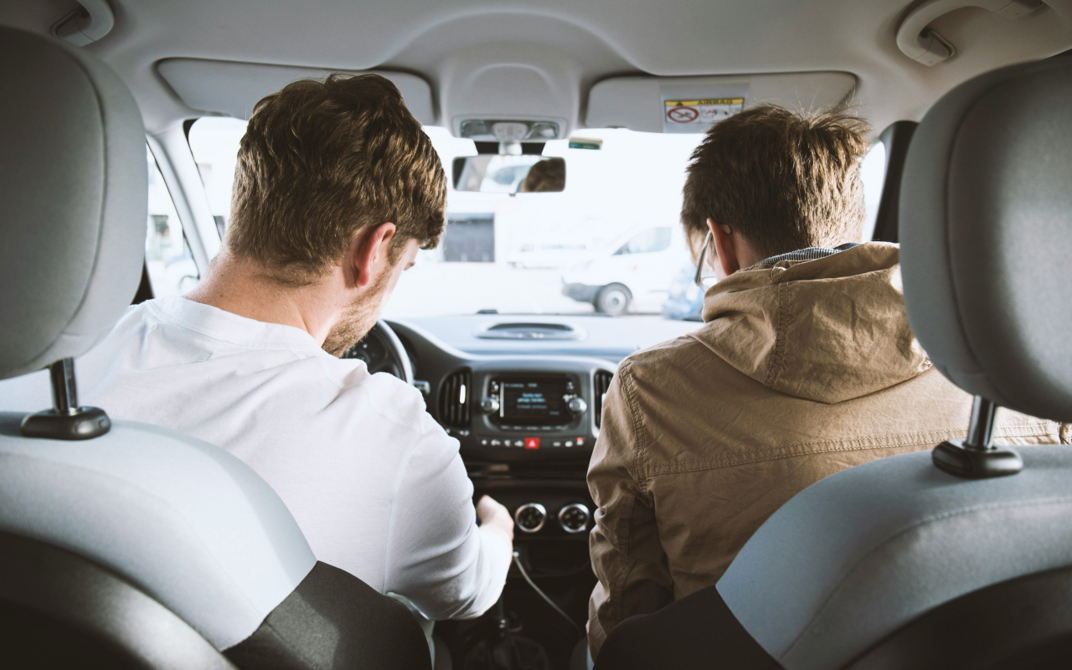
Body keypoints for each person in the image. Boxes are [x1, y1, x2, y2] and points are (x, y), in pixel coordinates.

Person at [0, 73, 514, 622]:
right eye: (402, 268)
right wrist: (498, 525)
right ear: (374, 250)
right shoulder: (397, 437)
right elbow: (465, 595)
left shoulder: (33, 372)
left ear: (247, 206)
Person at [585, 104, 1069, 658]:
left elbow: (628, 599)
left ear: (719, 241)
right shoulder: (1023, 371)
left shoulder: (650, 388)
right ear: (852, 228)